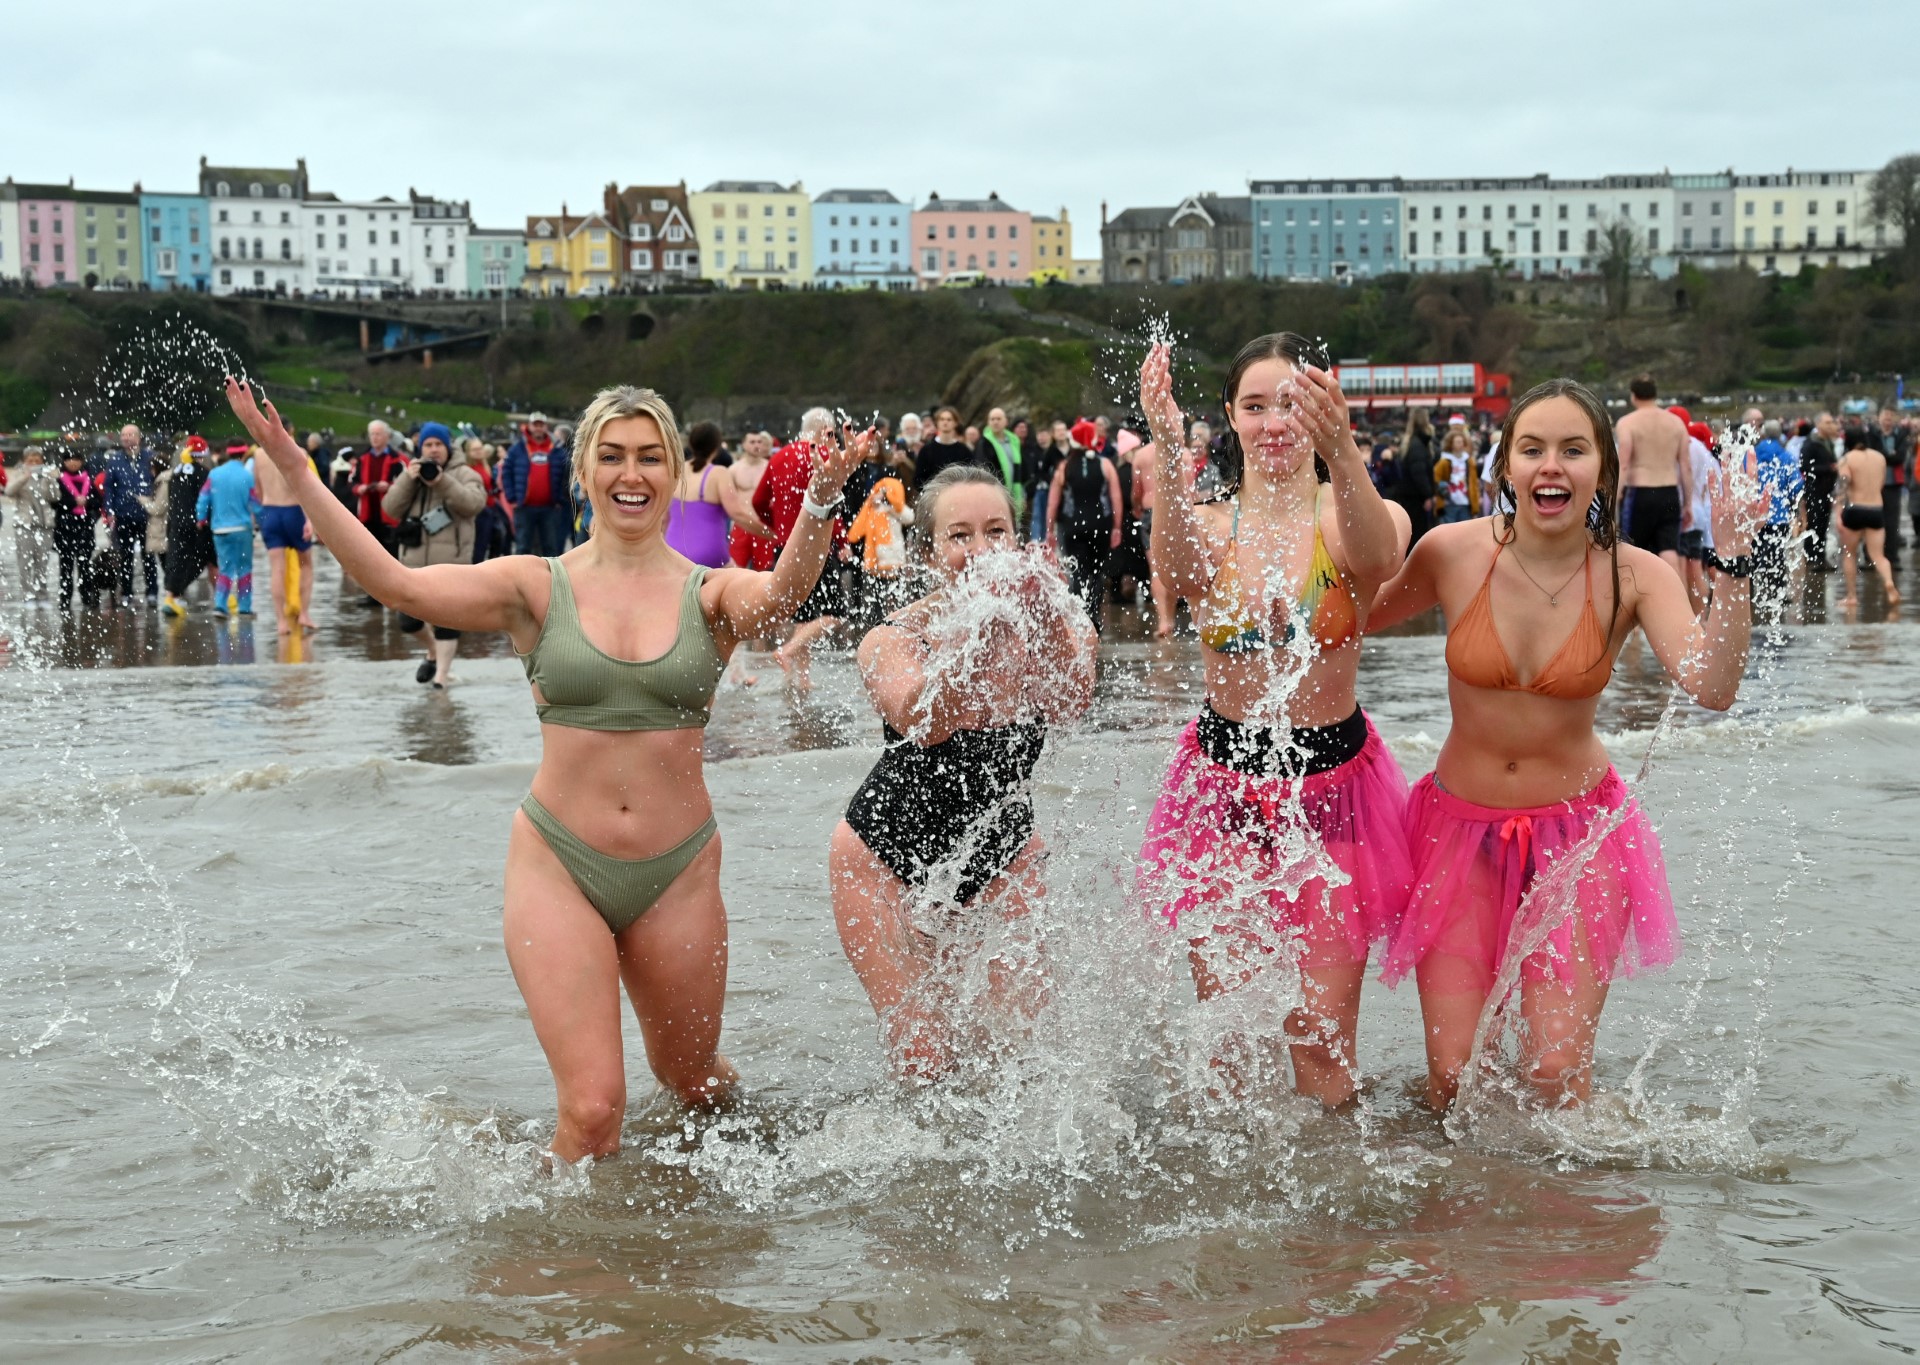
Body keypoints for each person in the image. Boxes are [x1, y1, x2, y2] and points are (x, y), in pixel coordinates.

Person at [223, 376, 868, 1160]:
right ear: (585, 473)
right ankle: (560, 1270)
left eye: (649, 457)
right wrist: (297, 471)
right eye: (612, 456)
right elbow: (396, 581)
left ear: (671, 471)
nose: (631, 474)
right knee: (595, 1110)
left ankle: (739, 1181)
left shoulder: (711, 593)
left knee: (693, 1080)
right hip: (560, 862)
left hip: (680, 871)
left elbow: (782, 598)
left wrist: (821, 504)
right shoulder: (534, 586)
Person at [1369, 378, 1762, 1112]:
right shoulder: (1450, 552)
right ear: (1504, 469)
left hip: (1580, 841)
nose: (1552, 466)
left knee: (1553, 1077)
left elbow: (1711, 686)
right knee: (1455, 1082)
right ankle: (1462, 1225)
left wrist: (1732, 566)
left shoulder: (1635, 573)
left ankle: (1566, 1226)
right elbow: (1339, 623)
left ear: (1602, 473)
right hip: (1456, 833)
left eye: (1574, 450)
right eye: (1533, 449)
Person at [1136, 334, 1413, 1108]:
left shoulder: (1351, 512)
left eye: (1290, 403)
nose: (1273, 422)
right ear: (1229, 416)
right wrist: (1165, 443)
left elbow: (1380, 556)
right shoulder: (1213, 522)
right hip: (1221, 795)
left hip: (1336, 797)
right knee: (1223, 1048)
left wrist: (1342, 448)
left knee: (1320, 1045)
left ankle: (1330, 1221)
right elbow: (1181, 573)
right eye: (1254, 406)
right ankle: (1232, 1227)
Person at [830, 466, 1097, 1075]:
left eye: (996, 532)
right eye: (960, 536)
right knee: (927, 1064)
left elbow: (1071, 700)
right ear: (928, 555)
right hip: (882, 859)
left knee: (1020, 1055)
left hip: (1005, 850)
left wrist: (1042, 617)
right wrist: (980, 636)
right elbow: (924, 718)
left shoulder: (1060, 621)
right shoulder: (891, 639)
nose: (981, 551)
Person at [382, 421, 487, 687]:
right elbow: (390, 509)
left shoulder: (465, 473)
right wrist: (409, 478)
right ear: (420, 447)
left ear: (448, 447)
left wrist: (442, 481)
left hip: (452, 562)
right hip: (413, 561)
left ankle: (441, 676)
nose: (433, 450)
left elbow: (473, 504)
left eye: (438, 444)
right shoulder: (412, 474)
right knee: (406, 620)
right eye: (428, 445)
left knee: (447, 621)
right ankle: (432, 650)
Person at [754, 408, 847, 693]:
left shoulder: (778, 457)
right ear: (824, 431)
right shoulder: (823, 457)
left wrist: (778, 529)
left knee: (804, 616)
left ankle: (801, 679)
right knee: (835, 615)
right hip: (816, 548)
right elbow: (831, 503)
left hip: (785, 548)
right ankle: (789, 649)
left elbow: (758, 501)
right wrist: (842, 542)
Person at [1045, 427, 1123, 632]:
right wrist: (1117, 527)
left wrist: (1049, 529)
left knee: (1078, 572)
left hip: (1072, 526)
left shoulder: (1065, 467)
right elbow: (1116, 499)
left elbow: (1053, 502)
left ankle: (1080, 616)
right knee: (1096, 572)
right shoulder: (1105, 465)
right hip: (1101, 525)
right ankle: (1094, 613)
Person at [1614, 375, 1692, 575]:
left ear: (1633, 396)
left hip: (1640, 492)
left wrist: (1617, 494)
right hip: (1669, 491)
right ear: (1655, 394)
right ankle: (1676, 602)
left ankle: (1632, 602)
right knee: (1669, 551)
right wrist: (1688, 503)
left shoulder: (1627, 423)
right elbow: (1685, 466)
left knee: (1631, 551)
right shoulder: (1676, 423)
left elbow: (1623, 463)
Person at [667, 421, 766, 570]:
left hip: (672, 549)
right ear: (717, 447)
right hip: (708, 552)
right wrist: (771, 533)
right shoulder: (719, 473)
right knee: (740, 584)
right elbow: (737, 514)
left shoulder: (676, 471)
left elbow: (663, 517)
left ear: (691, 444)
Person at [256, 430, 319, 634]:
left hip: (270, 511)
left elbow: (258, 490)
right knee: (306, 564)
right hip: (293, 511)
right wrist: (310, 520)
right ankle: (304, 614)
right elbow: (305, 489)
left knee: (277, 569)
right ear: (290, 431)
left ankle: (281, 622)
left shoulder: (259, 454)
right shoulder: (299, 452)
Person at [844, 459, 914, 625]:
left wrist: (890, 505)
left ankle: (896, 620)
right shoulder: (872, 509)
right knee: (876, 591)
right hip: (875, 557)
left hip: (893, 557)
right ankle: (877, 620)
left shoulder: (895, 511)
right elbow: (857, 530)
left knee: (894, 591)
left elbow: (909, 517)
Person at [1836, 429, 1900, 609]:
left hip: (1855, 509)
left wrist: (1838, 511)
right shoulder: (1880, 458)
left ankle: (1851, 596)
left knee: (1850, 554)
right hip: (1875, 509)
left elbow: (1843, 484)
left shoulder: (1847, 459)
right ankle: (1889, 582)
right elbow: (1880, 484)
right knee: (1878, 555)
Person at [196, 443, 258, 618]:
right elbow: (255, 503)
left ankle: (220, 605)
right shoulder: (247, 475)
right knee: (244, 568)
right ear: (244, 454)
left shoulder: (214, 474)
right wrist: (262, 522)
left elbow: (203, 498)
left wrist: (201, 519)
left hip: (220, 529)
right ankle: (244, 607)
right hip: (242, 529)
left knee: (225, 568)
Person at [1748, 419, 1802, 613]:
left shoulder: (1751, 455)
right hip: (1778, 516)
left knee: (1752, 552)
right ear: (1779, 435)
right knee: (1777, 555)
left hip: (1754, 516)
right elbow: (1796, 485)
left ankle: (1750, 589)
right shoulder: (1786, 456)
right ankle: (1777, 593)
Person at [103, 424, 160, 605]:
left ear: (138, 437)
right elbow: (109, 488)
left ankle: (152, 592)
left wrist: (157, 506)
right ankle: (127, 592)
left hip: (146, 515)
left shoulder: (150, 458)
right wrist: (110, 511)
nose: (126, 438)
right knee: (125, 557)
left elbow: (158, 483)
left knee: (148, 556)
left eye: (130, 435)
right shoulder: (115, 460)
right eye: (123, 435)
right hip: (123, 515)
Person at [502, 412, 571, 558]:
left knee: (551, 547)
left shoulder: (557, 449)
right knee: (522, 546)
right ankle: (520, 578)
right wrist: (512, 499)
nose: (538, 428)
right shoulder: (517, 448)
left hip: (550, 508)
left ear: (546, 427)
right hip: (524, 507)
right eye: (535, 425)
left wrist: (560, 499)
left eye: (541, 425)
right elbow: (506, 472)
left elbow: (566, 474)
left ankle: (552, 578)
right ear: (529, 426)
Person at [160, 438, 215, 617]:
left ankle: (171, 596)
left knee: (176, 559)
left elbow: (172, 501)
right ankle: (222, 599)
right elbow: (206, 501)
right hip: (196, 525)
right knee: (200, 560)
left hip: (175, 523)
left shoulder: (175, 473)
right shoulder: (203, 474)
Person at [52, 446, 105, 613]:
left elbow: (98, 502)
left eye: (76, 459)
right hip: (64, 527)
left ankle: (87, 597)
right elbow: (54, 503)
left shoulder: (89, 479)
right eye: (69, 459)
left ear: (81, 461)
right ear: (64, 461)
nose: (73, 463)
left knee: (84, 565)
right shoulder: (58, 481)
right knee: (65, 567)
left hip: (84, 527)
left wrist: (87, 502)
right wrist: (74, 503)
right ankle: (65, 599)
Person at [1677, 419, 1720, 616]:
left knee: (1691, 565)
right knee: (1700, 563)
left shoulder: (1683, 446)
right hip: (1703, 512)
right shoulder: (1704, 451)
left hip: (1687, 512)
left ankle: (1691, 614)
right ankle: (1707, 613)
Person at [6, 446, 57, 602]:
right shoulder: (18, 474)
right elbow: (9, 491)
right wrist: (24, 478)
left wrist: (51, 479)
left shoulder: (47, 476)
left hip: (45, 524)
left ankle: (42, 595)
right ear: (24, 461)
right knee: (25, 562)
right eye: (30, 460)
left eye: (37, 460)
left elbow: (55, 497)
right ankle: (28, 595)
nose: (34, 463)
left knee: (42, 562)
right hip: (24, 524)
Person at [727, 430, 775, 572]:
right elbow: (729, 500)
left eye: (759, 442)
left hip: (763, 526)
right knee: (735, 569)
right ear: (744, 445)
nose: (756, 445)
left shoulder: (769, 467)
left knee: (764, 571)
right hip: (742, 525)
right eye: (752, 442)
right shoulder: (734, 469)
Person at [1798, 411, 1841, 571]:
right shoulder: (1810, 443)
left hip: (1826, 490)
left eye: (1832, 422)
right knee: (1814, 525)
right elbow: (1805, 467)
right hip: (1814, 490)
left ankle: (1820, 556)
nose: (1832, 425)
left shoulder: (1827, 442)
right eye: (1828, 422)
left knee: (1823, 524)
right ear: (1819, 425)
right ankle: (1812, 558)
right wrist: (1829, 468)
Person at [975, 406, 1025, 522]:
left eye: (998, 419)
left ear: (1006, 421)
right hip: (994, 492)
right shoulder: (984, 443)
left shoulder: (1014, 441)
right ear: (988, 422)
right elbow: (982, 469)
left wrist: (1022, 492)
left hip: (1014, 491)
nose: (995, 422)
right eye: (992, 419)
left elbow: (1019, 467)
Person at [1873, 407, 1906, 570]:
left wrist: (1886, 456)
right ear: (1879, 419)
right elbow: (1874, 454)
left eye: (1890, 417)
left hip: (1893, 483)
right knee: (1874, 520)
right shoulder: (1873, 434)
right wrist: (1889, 455)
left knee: (1892, 522)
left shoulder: (1900, 435)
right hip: (1874, 483)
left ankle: (1892, 556)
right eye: (1885, 417)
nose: (1887, 420)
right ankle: (1873, 555)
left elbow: (1900, 457)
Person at [1398, 409, 1437, 542]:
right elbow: (1419, 473)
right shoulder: (1418, 445)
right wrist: (1427, 495)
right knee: (1419, 533)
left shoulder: (1411, 443)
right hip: (1417, 498)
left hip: (1411, 496)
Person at [912, 408, 976, 490]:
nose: (945, 422)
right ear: (937, 422)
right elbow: (918, 479)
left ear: (955, 423)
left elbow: (971, 476)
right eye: (942, 419)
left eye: (949, 419)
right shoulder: (926, 450)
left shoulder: (964, 451)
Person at [1432, 423, 1481, 525]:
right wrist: (1443, 492)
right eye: (1458, 442)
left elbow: (1473, 482)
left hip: (1466, 502)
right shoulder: (1444, 461)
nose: (1461, 444)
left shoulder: (1469, 461)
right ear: (1451, 444)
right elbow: (1436, 478)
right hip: (1449, 503)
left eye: (1462, 442)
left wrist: (1475, 502)